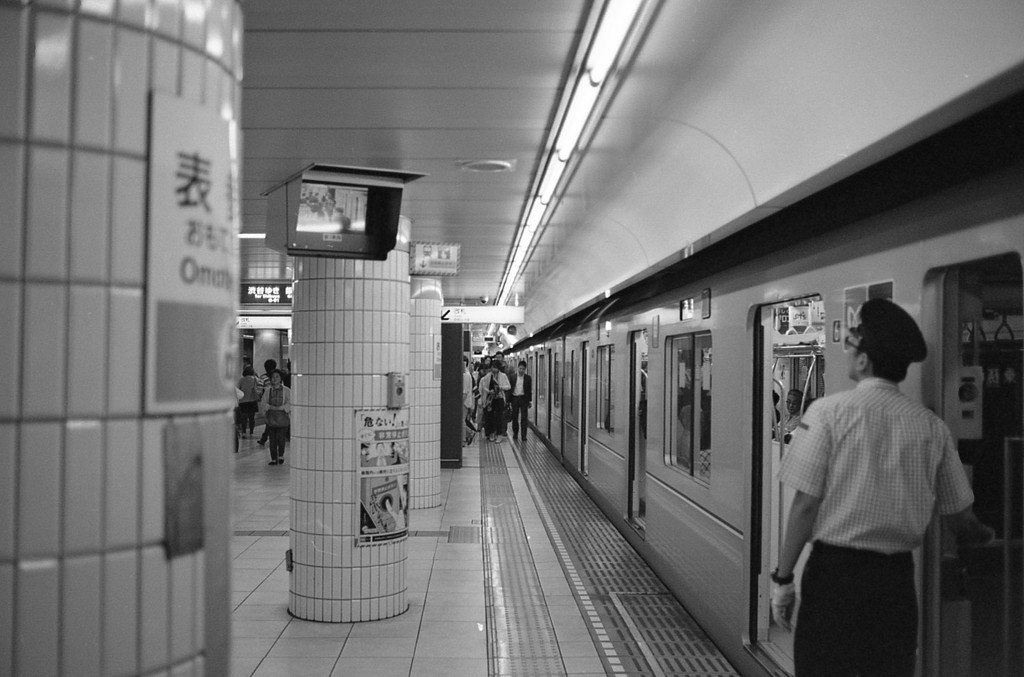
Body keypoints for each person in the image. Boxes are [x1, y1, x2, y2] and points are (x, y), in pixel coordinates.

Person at [771, 299, 994, 676]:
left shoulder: (827, 413)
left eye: (852, 346)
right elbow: (960, 518)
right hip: (895, 583)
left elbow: (805, 505)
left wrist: (783, 579)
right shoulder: (932, 427)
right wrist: (986, 536)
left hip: (833, 579)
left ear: (862, 361)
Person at [259, 369, 291, 465]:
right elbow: (263, 402)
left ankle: (280, 455)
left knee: (281, 439)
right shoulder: (268, 391)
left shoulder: (287, 391)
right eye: (273, 377)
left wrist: (283, 408)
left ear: (281, 378)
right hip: (271, 418)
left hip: (282, 419)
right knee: (272, 439)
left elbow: (290, 402)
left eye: (277, 377)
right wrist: (268, 407)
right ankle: (273, 458)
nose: (274, 379)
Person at [478, 361, 510, 442]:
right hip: (490, 400)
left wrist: (501, 387)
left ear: (498, 368)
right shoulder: (488, 376)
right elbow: (483, 386)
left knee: (499, 417)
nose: (493, 369)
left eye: (495, 367)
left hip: (499, 398)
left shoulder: (503, 376)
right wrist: (489, 391)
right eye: (492, 367)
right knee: (490, 416)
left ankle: (499, 434)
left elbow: (508, 386)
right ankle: (491, 433)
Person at [508, 360, 532, 441]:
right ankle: (515, 433)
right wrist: (508, 401)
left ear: (525, 369)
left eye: (523, 369)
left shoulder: (528, 378)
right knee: (515, 417)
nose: (521, 370)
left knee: (524, 418)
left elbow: (529, 390)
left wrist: (529, 401)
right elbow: (510, 389)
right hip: (515, 398)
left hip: (523, 399)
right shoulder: (512, 377)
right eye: (520, 368)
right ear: (518, 368)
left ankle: (523, 435)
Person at [256, 359, 278, 446]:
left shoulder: (263, 378)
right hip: (278, 401)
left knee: (269, 421)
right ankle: (265, 438)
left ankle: (265, 438)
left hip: (267, 402)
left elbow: (259, 391)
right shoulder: (277, 376)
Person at [236, 366, 260, 437]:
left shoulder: (241, 380)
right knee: (252, 418)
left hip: (243, 401)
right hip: (252, 401)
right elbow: (259, 387)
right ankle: (251, 432)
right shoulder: (255, 379)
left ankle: (244, 432)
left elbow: (238, 389)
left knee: (244, 418)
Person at [463, 356, 478, 445]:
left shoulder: (466, 375)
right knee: (463, 421)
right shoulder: (467, 374)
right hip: (467, 401)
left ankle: (468, 435)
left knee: (462, 421)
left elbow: (466, 391)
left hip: (465, 402)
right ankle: (469, 434)